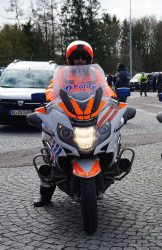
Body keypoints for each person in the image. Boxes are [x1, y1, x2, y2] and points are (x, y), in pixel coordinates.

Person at [36, 40, 116, 207]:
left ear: (89, 59)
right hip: (67, 114)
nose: (80, 60)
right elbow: (53, 88)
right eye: (76, 57)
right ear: (70, 60)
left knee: (110, 134)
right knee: (48, 142)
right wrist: (48, 99)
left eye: (83, 57)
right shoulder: (63, 74)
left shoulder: (95, 73)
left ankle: (111, 166)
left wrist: (113, 97)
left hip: (91, 114)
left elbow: (104, 87)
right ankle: (46, 192)